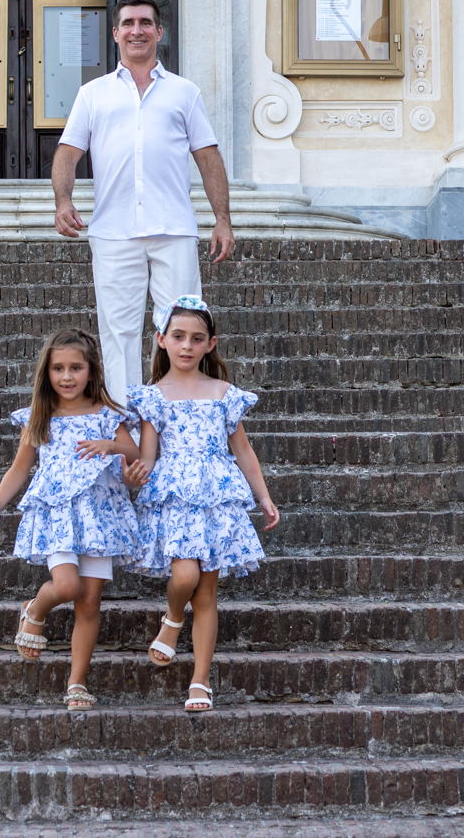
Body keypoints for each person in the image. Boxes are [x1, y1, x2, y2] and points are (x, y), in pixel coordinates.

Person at [52, 0, 235, 408]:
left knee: (182, 329)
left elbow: (207, 156)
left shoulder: (185, 93)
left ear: (159, 32)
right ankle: (125, 423)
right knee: (118, 332)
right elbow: (67, 153)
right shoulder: (93, 93)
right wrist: (63, 200)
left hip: (173, 227)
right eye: (129, 23)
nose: (137, 30)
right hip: (114, 231)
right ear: (115, 33)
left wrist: (222, 219)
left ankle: (176, 413)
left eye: (146, 23)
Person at [0, 328, 146, 712]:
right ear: (47, 373)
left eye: (75, 368)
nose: (67, 377)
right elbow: (21, 468)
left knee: (89, 603)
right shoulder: (42, 416)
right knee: (66, 587)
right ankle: (34, 609)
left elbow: (135, 452)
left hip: (100, 516)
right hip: (58, 516)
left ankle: (77, 682)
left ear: (91, 371)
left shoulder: (107, 414)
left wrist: (111, 445)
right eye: (58, 369)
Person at [127, 295, 279, 713]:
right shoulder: (153, 397)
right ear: (161, 340)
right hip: (176, 499)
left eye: (197, 338)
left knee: (208, 593)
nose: (187, 346)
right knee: (184, 576)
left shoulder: (224, 394)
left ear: (211, 344)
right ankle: (174, 617)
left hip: (216, 500)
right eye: (178, 337)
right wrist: (132, 472)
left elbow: (243, 450)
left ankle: (200, 680)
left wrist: (263, 496)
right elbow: (147, 456)